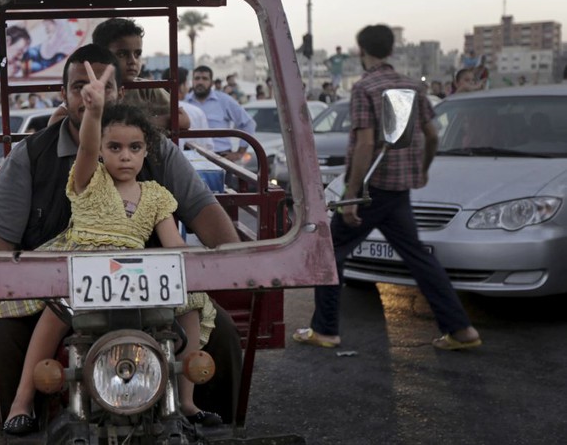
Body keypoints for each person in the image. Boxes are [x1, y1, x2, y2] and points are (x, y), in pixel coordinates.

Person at [0, 44, 241, 443]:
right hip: (54, 287)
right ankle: (15, 421)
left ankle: (202, 418)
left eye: (103, 86)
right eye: (79, 85)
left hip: (148, 289)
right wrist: (35, 278)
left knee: (223, 332)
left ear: (121, 94)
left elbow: (204, 213)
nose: (90, 94)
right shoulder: (33, 155)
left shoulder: (158, 151)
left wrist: (230, 261)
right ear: (64, 94)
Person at [293, 24, 481, 352]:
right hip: (398, 191)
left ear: (362, 50)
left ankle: (324, 329)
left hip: (373, 190)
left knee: (331, 251)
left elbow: (365, 143)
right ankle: (461, 329)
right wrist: (422, 170)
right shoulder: (411, 86)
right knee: (418, 258)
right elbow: (433, 135)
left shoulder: (366, 87)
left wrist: (351, 196)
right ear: (391, 50)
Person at [91, 18, 190, 131]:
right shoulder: (90, 88)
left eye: (137, 54)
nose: (133, 61)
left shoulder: (148, 89)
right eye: (122, 54)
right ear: (101, 55)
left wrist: (137, 123)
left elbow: (184, 120)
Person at [185, 65, 256, 161]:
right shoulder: (185, 102)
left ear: (211, 83)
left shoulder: (224, 100)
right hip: (191, 157)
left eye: (205, 79)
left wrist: (239, 153)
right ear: (192, 81)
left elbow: (249, 124)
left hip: (220, 158)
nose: (200, 82)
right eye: (197, 78)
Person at [161, 66, 214, 151]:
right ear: (182, 86)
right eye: (187, 83)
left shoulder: (155, 110)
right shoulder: (196, 112)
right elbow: (207, 147)